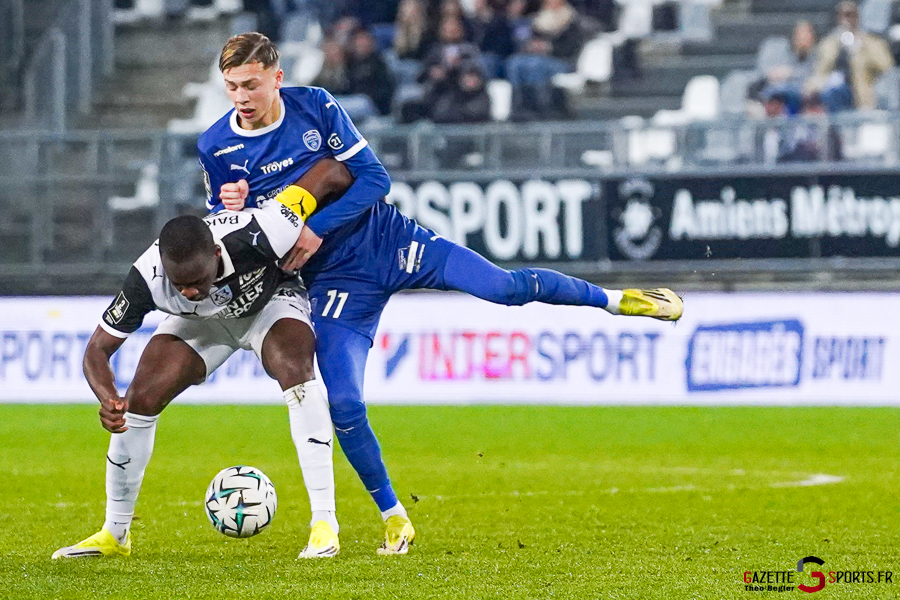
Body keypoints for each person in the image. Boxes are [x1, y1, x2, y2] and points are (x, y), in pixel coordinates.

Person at [199, 32, 684, 556]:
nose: (242, 97)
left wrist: (317, 227)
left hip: (391, 241)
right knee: (344, 404)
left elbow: (374, 180)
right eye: (232, 86)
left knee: (502, 287)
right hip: (335, 283)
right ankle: (394, 517)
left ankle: (617, 299)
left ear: (277, 77)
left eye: (251, 84)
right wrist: (232, 205)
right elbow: (231, 228)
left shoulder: (315, 105)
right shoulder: (215, 145)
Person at [52, 159, 354, 560]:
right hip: (203, 325)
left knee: (296, 370)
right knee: (139, 400)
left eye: (197, 281)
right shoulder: (147, 277)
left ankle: (324, 525)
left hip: (270, 304)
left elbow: (331, 172)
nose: (190, 291)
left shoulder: (261, 230)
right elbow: (97, 349)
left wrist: (320, 225)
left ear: (216, 252)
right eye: (180, 285)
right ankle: (115, 534)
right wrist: (108, 396)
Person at [806, 0, 893, 111]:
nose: (848, 20)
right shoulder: (829, 42)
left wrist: (862, 46)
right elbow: (821, 69)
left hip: (860, 90)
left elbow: (885, 66)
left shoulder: (872, 42)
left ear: (858, 17)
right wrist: (837, 45)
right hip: (832, 89)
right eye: (843, 15)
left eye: (851, 15)